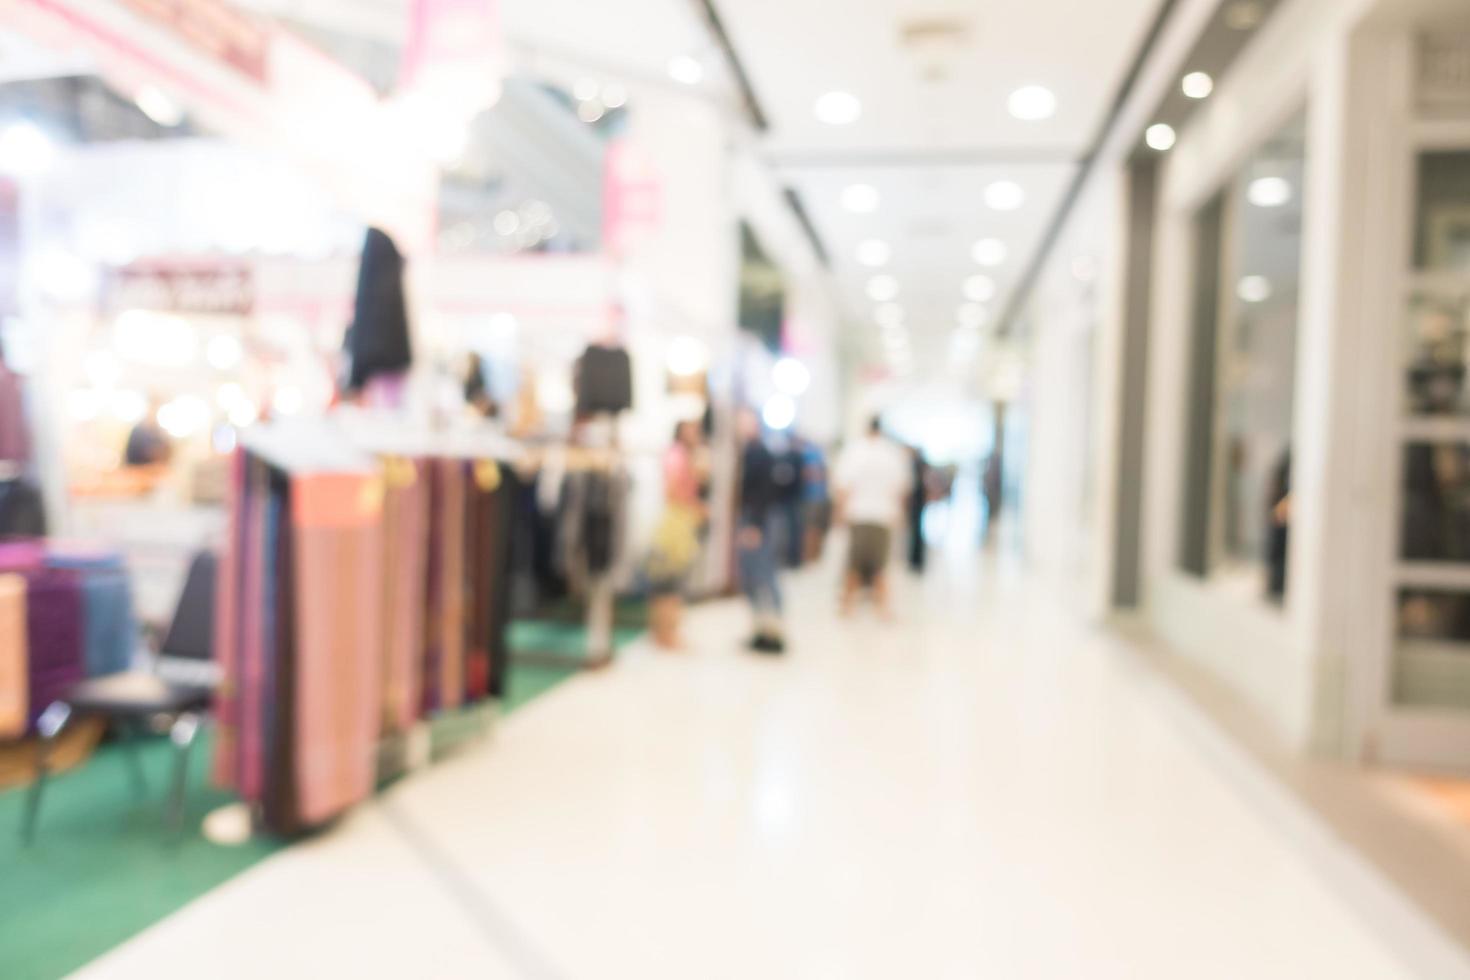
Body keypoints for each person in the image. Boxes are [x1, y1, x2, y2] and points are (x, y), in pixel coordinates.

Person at [834, 416, 911, 617]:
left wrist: (840, 514)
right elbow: (901, 489)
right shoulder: (892, 453)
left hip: (858, 514)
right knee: (880, 565)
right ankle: (883, 608)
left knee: (854, 564)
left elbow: (843, 486)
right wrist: (899, 514)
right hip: (883, 515)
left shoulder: (854, 451)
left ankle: (847, 607)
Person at [647, 420, 706, 650]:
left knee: (669, 581)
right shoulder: (677, 455)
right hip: (677, 522)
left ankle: (666, 632)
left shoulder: (682, 455)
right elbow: (672, 490)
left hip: (680, 519)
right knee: (669, 581)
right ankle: (667, 633)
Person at [736, 409, 785, 653]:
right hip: (752, 518)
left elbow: (763, 492)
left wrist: (755, 524)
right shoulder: (747, 452)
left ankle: (774, 630)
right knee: (751, 576)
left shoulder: (759, 453)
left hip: (758, 521)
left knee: (764, 574)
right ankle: (760, 628)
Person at [124, 395, 171, 468]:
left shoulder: (160, 433)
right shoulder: (137, 431)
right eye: (153, 406)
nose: (154, 410)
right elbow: (129, 458)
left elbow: (166, 457)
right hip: (137, 472)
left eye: (157, 406)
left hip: (155, 473)